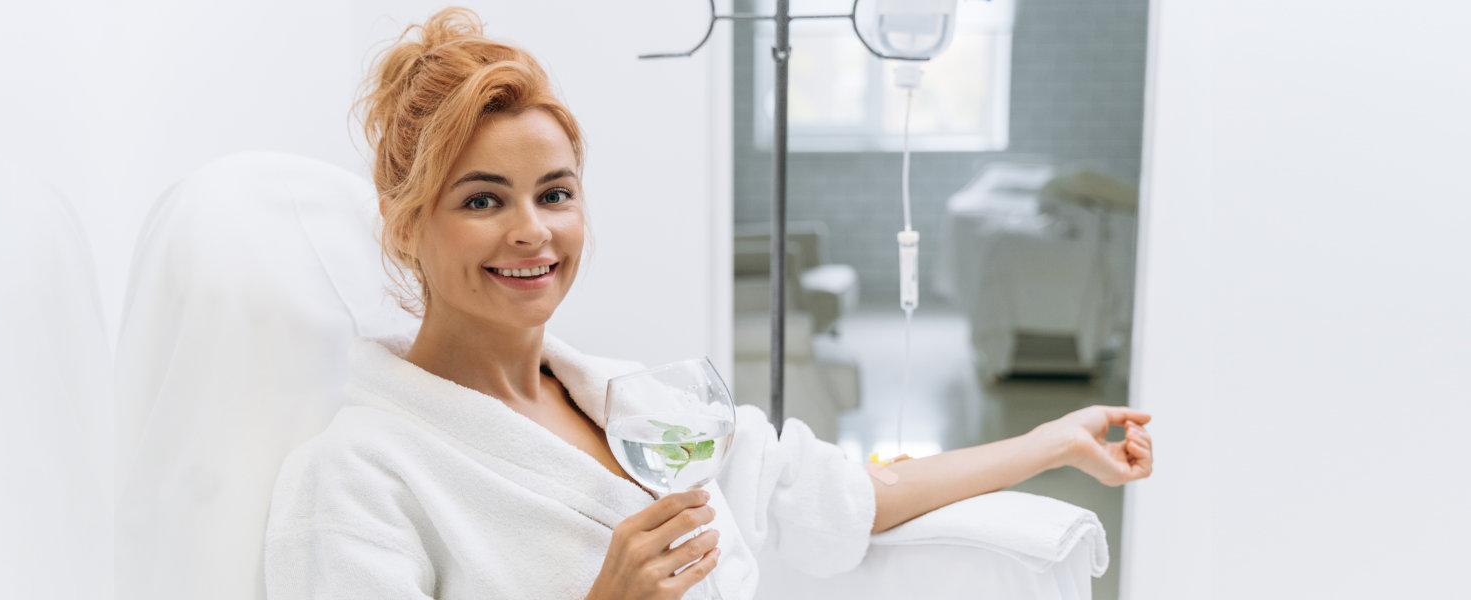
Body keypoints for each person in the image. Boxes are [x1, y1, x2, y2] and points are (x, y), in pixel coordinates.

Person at [262, 8, 1154, 599]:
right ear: (405, 224)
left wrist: (1053, 442)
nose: (533, 232)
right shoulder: (358, 476)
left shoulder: (642, 409)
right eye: (483, 200)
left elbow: (850, 496)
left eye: (557, 194)